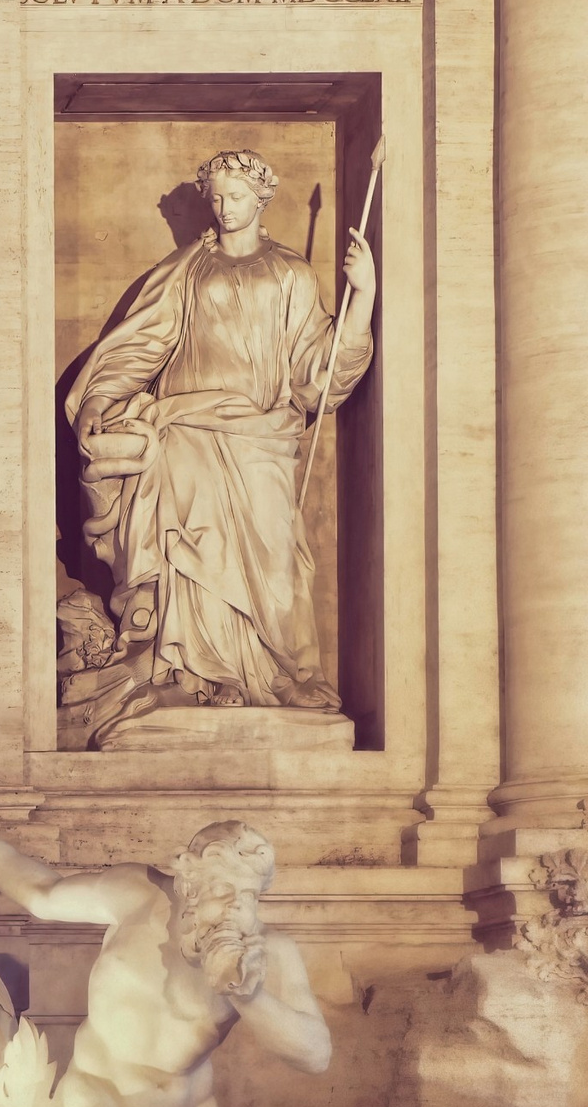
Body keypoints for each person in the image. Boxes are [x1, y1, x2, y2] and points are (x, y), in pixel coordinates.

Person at [64, 149, 375, 741]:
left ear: (262, 200)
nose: (225, 208)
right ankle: (191, 672)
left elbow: (320, 371)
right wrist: (101, 401)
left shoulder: (291, 273)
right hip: (184, 429)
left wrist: (361, 297)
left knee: (275, 562)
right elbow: (142, 346)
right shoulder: (188, 271)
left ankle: (274, 674)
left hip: (260, 438)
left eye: (236, 197)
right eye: (217, 198)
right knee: (187, 548)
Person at [0, 814, 333, 1107]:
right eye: (224, 889)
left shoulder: (268, 953)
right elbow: (41, 893)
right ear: (188, 885)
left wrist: (248, 995)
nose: (236, 907)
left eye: (249, 894)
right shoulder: (137, 892)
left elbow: (315, 1053)